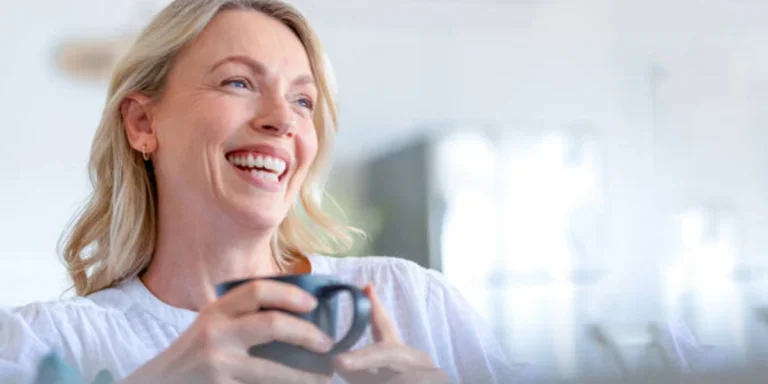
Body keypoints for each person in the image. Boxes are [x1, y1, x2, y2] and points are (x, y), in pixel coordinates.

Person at [0, 1, 530, 383]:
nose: (283, 120)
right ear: (142, 123)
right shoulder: (44, 345)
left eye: (303, 101)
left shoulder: (415, 307)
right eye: (238, 82)